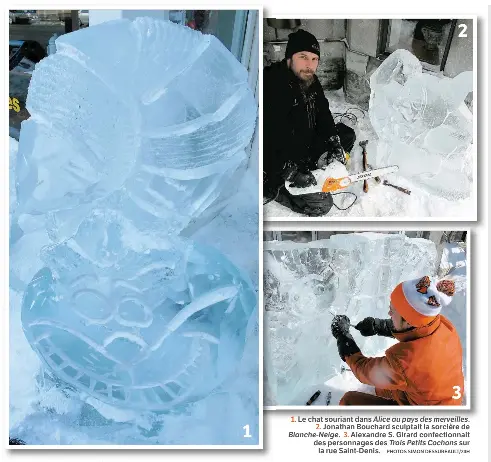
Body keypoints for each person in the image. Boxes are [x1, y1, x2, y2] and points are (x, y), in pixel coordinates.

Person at [331, 276, 464, 405]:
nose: (389, 314)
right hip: (444, 396)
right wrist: (378, 326)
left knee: (349, 401)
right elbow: (414, 331)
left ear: (407, 320)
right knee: (386, 387)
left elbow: (364, 371)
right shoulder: (444, 326)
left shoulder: (406, 362)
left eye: (392, 310)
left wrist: (343, 337)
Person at [263, 29, 349, 215]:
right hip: (278, 161)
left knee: (345, 135)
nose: (309, 65)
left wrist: (333, 141)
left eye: (314, 59)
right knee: (322, 204)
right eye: (303, 57)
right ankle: (274, 191)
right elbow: (267, 139)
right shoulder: (271, 85)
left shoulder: (310, 80)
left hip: (304, 144)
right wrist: (289, 171)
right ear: (289, 58)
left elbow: (323, 113)